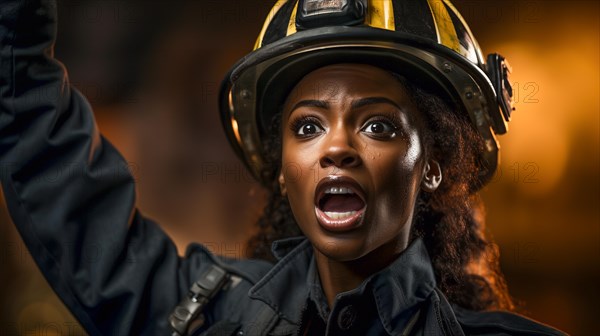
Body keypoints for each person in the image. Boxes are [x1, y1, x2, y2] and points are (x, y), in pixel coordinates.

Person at [0, 0, 567, 335]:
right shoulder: (210, 315)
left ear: (436, 164)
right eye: (308, 126)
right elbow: (59, 181)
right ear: (280, 169)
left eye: (377, 126)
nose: (335, 148)